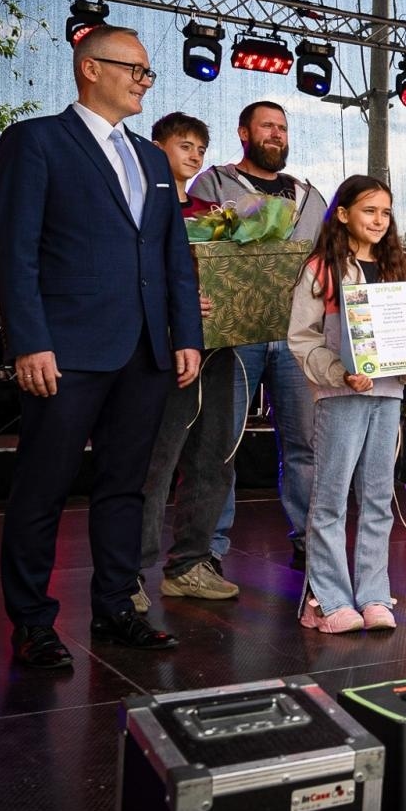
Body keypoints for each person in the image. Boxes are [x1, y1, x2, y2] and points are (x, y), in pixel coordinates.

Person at [0, 25, 201, 668]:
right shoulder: (36, 141)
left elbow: (173, 257)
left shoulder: (151, 157)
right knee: (42, 486)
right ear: (89, 69)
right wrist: (29, 341)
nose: (144, 80)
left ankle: (116, 608)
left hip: (144, 352)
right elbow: (13, 251)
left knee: (124, 488)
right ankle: (31, 622)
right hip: (65, 349)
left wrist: (186, 334)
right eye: (133, 69)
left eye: (147, 72)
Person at [190, 101, 330, 571]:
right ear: (244, 132)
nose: (277, 134)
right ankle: (208, 547)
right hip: (235, 333)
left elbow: (327, 263)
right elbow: (196, 243)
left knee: (306, 443)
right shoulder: (214, 183)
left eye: (284, 128)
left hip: (295, 337)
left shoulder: (311, 196)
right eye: (267, 126)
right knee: (221, 440)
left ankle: (311, 541)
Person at [288, 176, 406, 633]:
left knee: (377, 497)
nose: (379, 221)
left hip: (387, 393)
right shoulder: (322, 268)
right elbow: (301, 338)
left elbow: (405, 333)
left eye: (385, 213)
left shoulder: (394, 268)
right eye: (369, 211)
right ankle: (325, 599)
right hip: (341, 393)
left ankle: (372, 594)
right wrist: (338, 373)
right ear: (343, 214)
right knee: (330, 497)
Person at [135, 113, 239, 612]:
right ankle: (129, 572)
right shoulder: (141, 204)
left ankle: (190, 565)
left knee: (213, 455)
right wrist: (176, 303)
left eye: (201, 147)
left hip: (218, 348)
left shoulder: (213, 212)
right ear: (157, 148)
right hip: (163, 349)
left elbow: (235, 274)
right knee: (155, 462)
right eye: (184, 145)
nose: (195, 155)